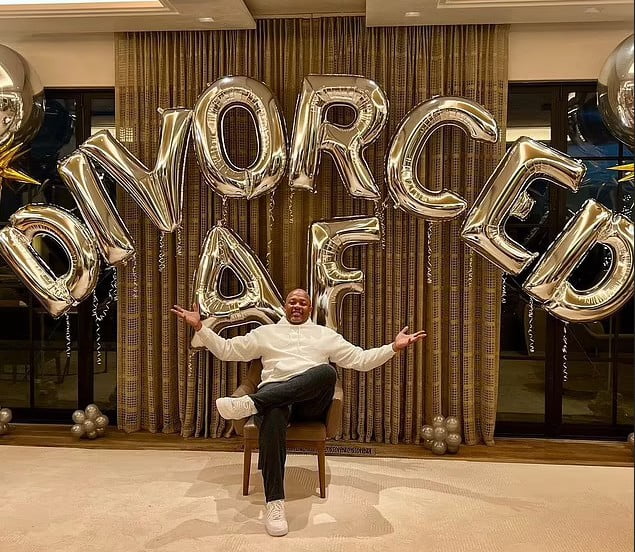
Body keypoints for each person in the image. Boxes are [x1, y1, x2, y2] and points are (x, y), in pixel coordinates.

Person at [171, 289, 426, 537]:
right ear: (285, 306)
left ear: (310, 309)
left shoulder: (325, 335)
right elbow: (228, 350)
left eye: (302, 303)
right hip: (275, 397)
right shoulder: (265, 333)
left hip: (309, 405)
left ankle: (253, 403)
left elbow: (360, 359)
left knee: (326, 373)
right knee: (273, 411)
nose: (297, 306)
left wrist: (393, 347)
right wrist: (200, 327)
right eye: (292, 301)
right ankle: (275, 503)